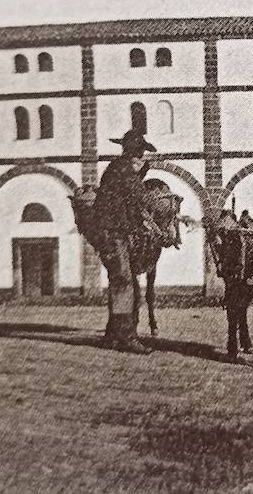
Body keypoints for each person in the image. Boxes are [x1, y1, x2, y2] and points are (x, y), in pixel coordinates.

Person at [93, 128, 157, 354]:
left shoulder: (115, 169)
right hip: (113, 234)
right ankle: (126, 337)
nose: (143, 159)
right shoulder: (125, 172)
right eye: (141, 155)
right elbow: (143, 198)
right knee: (124, 283)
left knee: (123, 283)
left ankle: (113, 335)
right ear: (134, 154)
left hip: (113, 232)